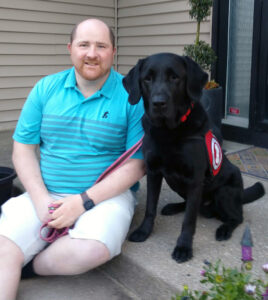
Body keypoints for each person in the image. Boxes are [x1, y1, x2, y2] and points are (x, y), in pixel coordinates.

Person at [0, 18, 145, 299]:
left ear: (113, 51)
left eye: (101, 46)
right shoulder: (45, 89)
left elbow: (137, 164)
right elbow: (23, 149)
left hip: (105, 197)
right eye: (84, 45)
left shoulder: (132, 96)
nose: (92, 53)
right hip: (47, 191)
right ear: (70, 49)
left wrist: (83, 201)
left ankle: (33, 265)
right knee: (3, 246)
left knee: (92, 249)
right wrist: (41, 199)